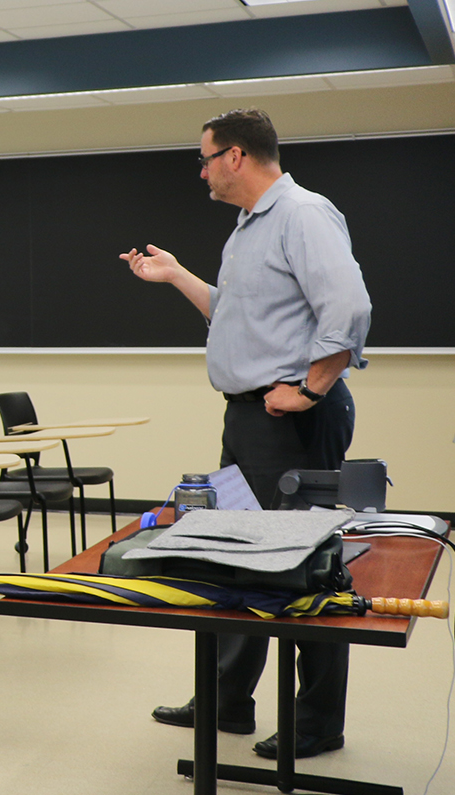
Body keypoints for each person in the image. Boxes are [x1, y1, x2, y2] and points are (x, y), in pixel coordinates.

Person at [122, 107, 371, 760]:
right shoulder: (247, 229)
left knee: (300, 565)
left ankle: (317, 720)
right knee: (232, 551)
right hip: (247, 417)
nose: (200, 171)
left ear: (234, 156)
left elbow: (349, 308)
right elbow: (233, 317)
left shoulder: (302, 215)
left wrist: (312, 387)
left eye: (204, 158)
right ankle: (228, 700)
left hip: (289, 420)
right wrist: (177, 276)